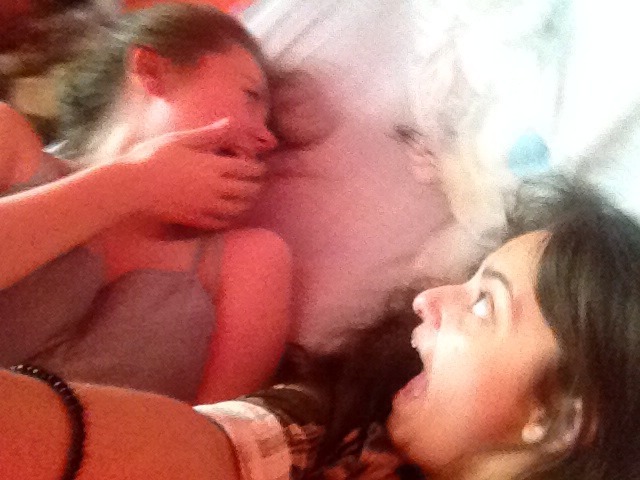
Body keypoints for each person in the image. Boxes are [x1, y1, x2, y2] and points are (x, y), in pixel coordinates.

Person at [2, 177, 639, 480]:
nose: (427, 300)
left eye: (484, 305)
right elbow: (222, 450)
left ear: (561, 417)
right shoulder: (338, 434)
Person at [0, 3, 292, 404]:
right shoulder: (9, 143)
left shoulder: (247, 262)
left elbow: (215, 435)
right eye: (250, 96)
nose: (267, 139)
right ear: (152, 70)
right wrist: (133, 182)